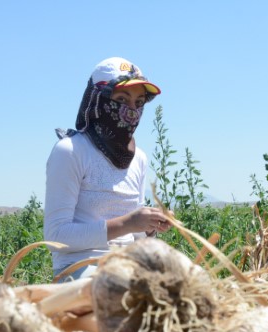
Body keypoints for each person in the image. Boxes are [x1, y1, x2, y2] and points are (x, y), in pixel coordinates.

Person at [44, 57, 172, 280]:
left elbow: (135, 236)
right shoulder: (71, 151)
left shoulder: (138, 158)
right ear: (97, 100)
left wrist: (149, 227)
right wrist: (127, 223)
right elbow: (56, 236)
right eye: (122, 99)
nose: (131, 111)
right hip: (80, 267)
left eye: (139, 102)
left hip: (129, 265)